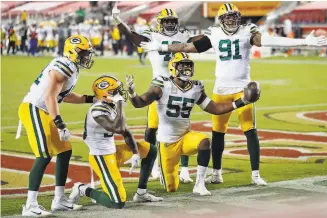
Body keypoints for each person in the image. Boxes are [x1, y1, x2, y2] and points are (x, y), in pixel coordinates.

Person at [141, 3, 327, 185]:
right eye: (227, 17)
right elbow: (188, 48)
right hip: (221, 89)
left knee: (249, 131)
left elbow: (267, 40)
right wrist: (161, 47)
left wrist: (303, 41)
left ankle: (255, 175)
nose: (231, 20)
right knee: (218, 133)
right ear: (221, 19)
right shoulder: (213, 33)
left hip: (242, 88)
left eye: (234, 17)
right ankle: (216, 173)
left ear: (239, 18)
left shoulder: (247, 31)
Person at [126, 52, 261, 195]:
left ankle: (199, 184)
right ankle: (170, 173)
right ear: (173, 67)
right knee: (171, 188)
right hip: (167, 143)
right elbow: (139, 103)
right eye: (182, 66)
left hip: (185, 138)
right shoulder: (161, 84)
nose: (186, 69)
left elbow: (215, 108)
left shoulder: (196, 87)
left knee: (204, 142)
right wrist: (132, 93)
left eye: (188, 65)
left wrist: (242, 101)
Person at [112, 6, 202, 182]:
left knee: (182, 128)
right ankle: (152, 164)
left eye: (172, 21)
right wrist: (118, 22)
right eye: (166, 21)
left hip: (180, 85)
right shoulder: (151, 34)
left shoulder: (183, 35)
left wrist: (213, 35)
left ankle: (184, 170)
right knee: (152, 127)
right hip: (160, 86)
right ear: (160, 23)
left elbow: (200, 42)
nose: (169, 24)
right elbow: (132, 36)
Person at [19, 35, 96, 216]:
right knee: (44, 154)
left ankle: (59, 200)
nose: (87, 56)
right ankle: (30, 205)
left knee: (64, 150)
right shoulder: (64, 66)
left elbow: (65, 96)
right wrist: (60, 124)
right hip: (34, 108)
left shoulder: (71, 66)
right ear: (72, 51)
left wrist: (92, 98)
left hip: (44, 110)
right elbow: (50, 97)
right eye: (83, 52)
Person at [68, 75, 163, 209]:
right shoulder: (97, 110)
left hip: (114, 152)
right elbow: (118, 128)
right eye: (115, 91)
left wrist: (135, 153)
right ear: (104, 94)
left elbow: (125, 131)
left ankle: (141, 193)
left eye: (118, 90)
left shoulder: (110, 105)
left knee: (150, 149)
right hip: (101, 158)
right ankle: (82, 189)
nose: (119, 93)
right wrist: (119, 104)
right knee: (117, 202)